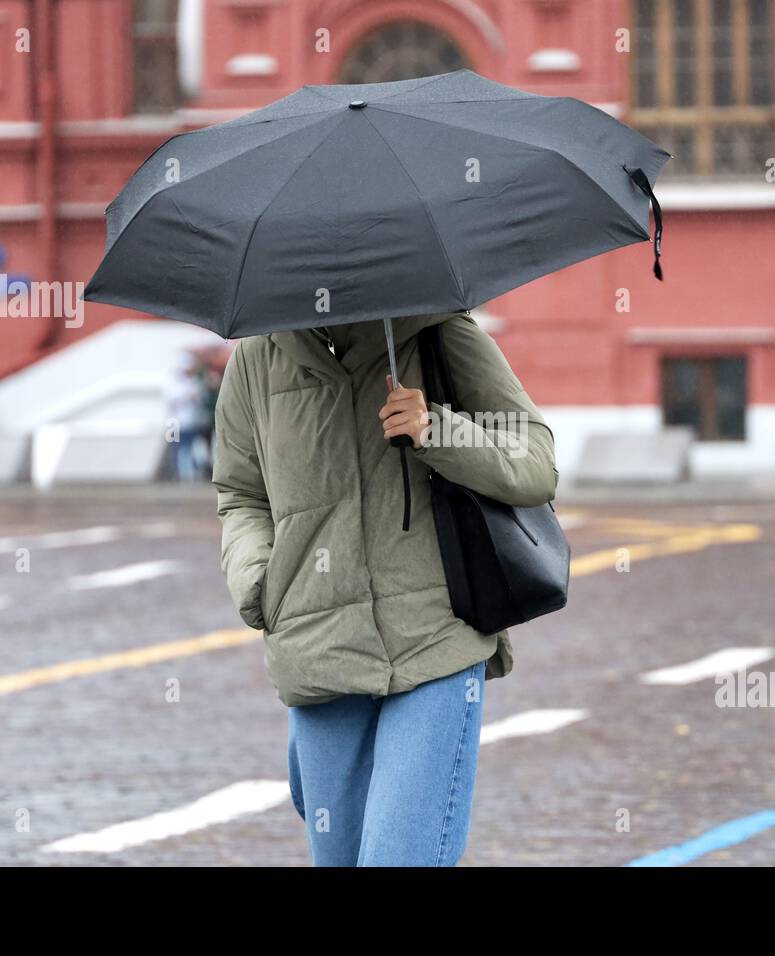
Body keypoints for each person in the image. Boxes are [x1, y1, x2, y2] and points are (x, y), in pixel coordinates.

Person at [211, 310, 558, 866]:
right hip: (319, 646)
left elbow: (536, 463)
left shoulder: (439, 330)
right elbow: (241, 494)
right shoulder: (257, 359)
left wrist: (436, 429)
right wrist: (260, 583)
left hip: (435, 639)